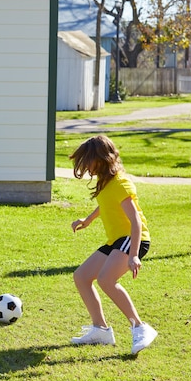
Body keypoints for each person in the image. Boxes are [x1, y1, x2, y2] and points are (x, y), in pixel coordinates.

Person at [68, 134, 157, 355]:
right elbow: (106, 206)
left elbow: (135, 220)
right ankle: (101, 330)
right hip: (116, 240)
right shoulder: (106, 183)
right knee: (81, 277)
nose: (86, 166)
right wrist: (87, 220)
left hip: (133, 238)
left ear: (101, 158)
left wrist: (134, 254)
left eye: (88, 161)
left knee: (106, 279)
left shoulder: (120, 182)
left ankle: (140, 326)